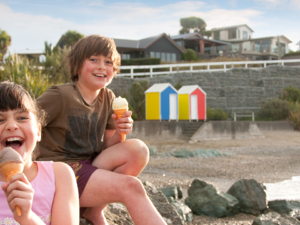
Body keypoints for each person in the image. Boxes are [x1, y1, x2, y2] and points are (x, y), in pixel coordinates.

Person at [34, 35, 167, 225]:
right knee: (131, 187)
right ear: (77, 65)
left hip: (88, 166)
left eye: (108, 62)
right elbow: (25, 121)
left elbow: (107, 148)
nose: (102, 67)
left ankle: (93, 211)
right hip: (61, 172)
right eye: (94, 60)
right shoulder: (60, 95)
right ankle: (76, 204)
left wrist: (121, 131)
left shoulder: (108, 97)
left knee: (139, 150)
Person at [0, 81, 79, 225]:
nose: (11, 126)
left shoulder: (59, 176)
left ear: (38, 131)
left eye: (22, 117)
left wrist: (27, 218)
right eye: (0, 120)